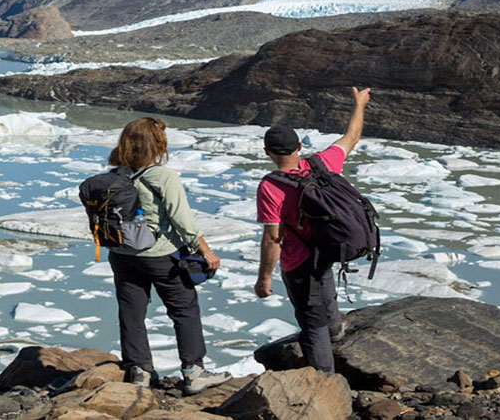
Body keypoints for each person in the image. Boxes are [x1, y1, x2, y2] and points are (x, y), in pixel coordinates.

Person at [106, 116, 229, 394]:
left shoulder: (115, 176)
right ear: (157, 143)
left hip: (122, 254)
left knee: (131, 312)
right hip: (160, 255)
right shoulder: (162, 176)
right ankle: (193, 371)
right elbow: (181, 220)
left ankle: (139, 371)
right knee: (184, 309)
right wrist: (205, 251)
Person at [253, 87, 371, 372]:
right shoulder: (321, 164)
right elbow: (351, 137)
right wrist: (359, 104)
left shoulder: (271, 187)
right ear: (299, 148)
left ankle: (325, 382)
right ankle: (334, 327)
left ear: (267, 152)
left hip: (299, 263)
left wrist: (264, 277)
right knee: (323, 285)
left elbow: (273, 237)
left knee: (311, 321)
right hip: (327, 247)